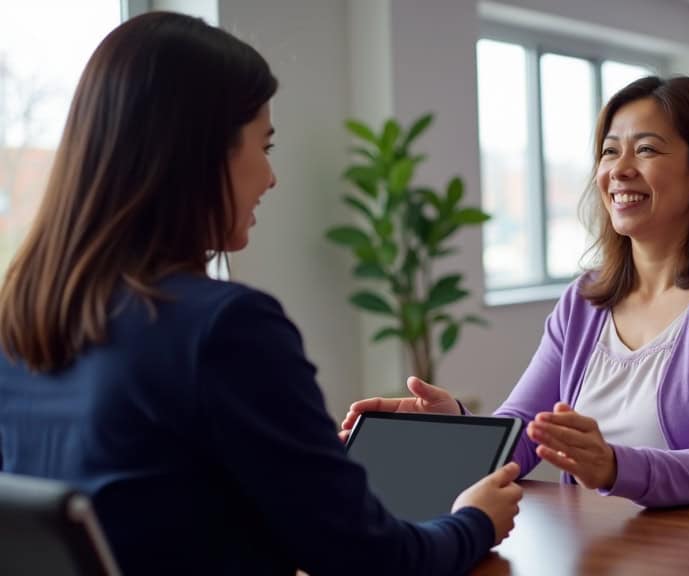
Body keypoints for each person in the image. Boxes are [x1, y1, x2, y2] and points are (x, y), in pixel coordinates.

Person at [0, 12, 521, 575]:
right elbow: (371, 559)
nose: (271, 177)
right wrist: (475, 520)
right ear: (201, 154)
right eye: (263, 145)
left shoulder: (20, 317)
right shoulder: (223, 327)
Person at [341, 76, 689, 511]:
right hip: (611, 547)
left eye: (646, 150)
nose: (620, 170)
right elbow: (526, 434)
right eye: (610, 152)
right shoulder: (584, 300)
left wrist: (613, 466)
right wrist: (457, 426)